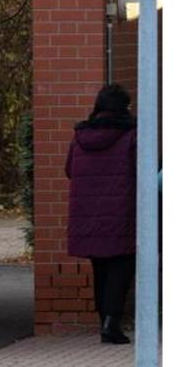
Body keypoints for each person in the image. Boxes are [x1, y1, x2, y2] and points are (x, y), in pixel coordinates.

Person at [64, 84, 137, 344]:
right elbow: (144, 170)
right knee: (122, 265)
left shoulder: (80, 136)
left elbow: (70, 170)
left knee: (101, 268)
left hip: (88, 216)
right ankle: (111, 322)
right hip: (121, 215)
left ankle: (103, 320)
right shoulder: (131, 135)